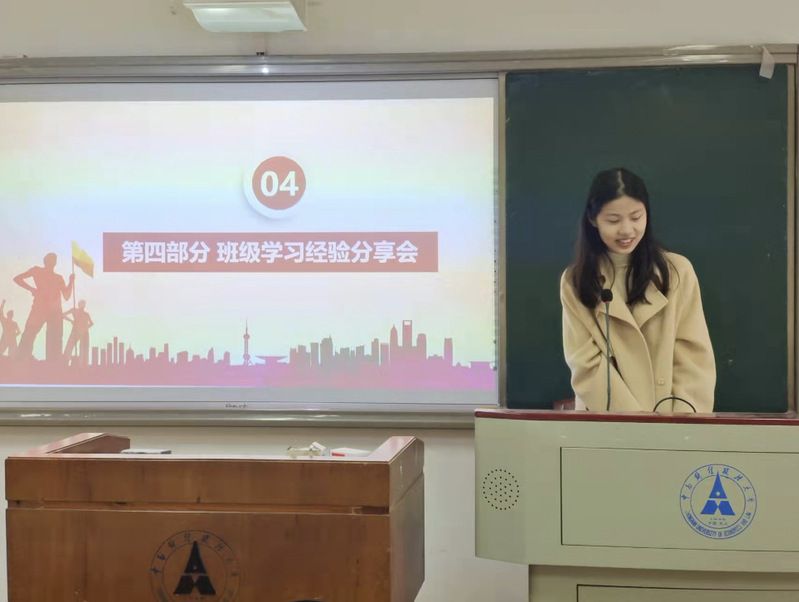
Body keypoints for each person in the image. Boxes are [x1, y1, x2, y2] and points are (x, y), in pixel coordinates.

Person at [560, 168, 715, 413]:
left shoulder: (677, 272)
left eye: (636, 217)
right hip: (607, 421)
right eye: (613, 220)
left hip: (672, 421)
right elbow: (586, 366)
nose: (627, 230)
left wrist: (680, 423)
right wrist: (636, 423)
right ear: (593, 219)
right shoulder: (576, 281)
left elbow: (693, 359)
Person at [14, 252, 74, 362]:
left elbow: (66, 296)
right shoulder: (37, 270)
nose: (53, 262)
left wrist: (71, 282)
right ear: (46, 261)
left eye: (54, 260)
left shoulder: (58, 278)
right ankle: (22, 358)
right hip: (40, 308)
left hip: (55, 311)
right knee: (29, 333)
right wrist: (32, 289)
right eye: (51, 259)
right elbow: (17, 278)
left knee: (54, 339)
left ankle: (53, 362)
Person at [63, 300, 94, 366]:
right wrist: (71, 321)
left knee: (82, 350)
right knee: (69, 347)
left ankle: (81, 365)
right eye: (82, 305)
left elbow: (91, 323)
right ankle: (66, 362)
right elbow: (63, 315)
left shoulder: (86, 314)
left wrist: (85, 327)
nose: (82, 307)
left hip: (83, 333)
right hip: (76, 331)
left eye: (83, 305)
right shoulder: (74, 310)